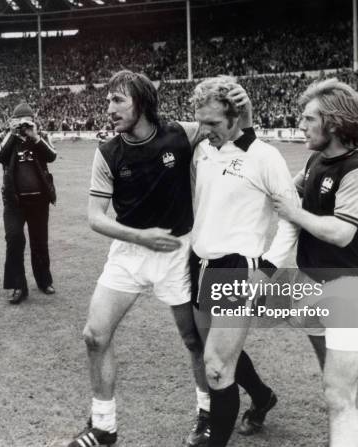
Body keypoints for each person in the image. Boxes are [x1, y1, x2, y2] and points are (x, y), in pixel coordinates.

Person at [68, 70, 250, 447]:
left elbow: (229, 131)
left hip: (177, 250)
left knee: (193, 340)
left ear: (142, 102)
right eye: (108, 101)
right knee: (94, 335)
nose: (109, 109)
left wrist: (242, 106)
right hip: (129, 252)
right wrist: (140, 237)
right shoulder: (107, 153)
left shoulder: (180, 134)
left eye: (118, 100)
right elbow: (95, 217)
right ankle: (103, 427)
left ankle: (206, 416)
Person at [189, 76, 300, 447]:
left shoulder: (264, 157)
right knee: (215, 353)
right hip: (200, 264)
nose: (204, 131)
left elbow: (291, 219)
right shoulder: (202, 150)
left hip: (240, 269)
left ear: (236, 118)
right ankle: (263, 396)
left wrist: (265, 270)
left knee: (218, 368)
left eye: (214, 124)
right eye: (200, 122)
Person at [272, 78, 358, 447]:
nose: (300, 126)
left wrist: (292, 211)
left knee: (336, 394)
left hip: (348, 289)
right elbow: (288, 191)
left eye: (307, 119)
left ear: (333, 123)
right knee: (334, 382)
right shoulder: (316, 159)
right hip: (309, 284)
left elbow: (340, 233)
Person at [0, 103, 57, 303]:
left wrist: (35, 136)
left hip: (39, 199)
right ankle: (18, 286)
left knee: (40, 241)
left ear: (33, 120)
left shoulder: (42, 136)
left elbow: (52, 156)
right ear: (12, 121)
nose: (23, 124)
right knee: (14, 239)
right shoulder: (4, 137)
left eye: (27, 120)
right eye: (19, 120)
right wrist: (13, 135)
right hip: (14, 201)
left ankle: (44, 281)